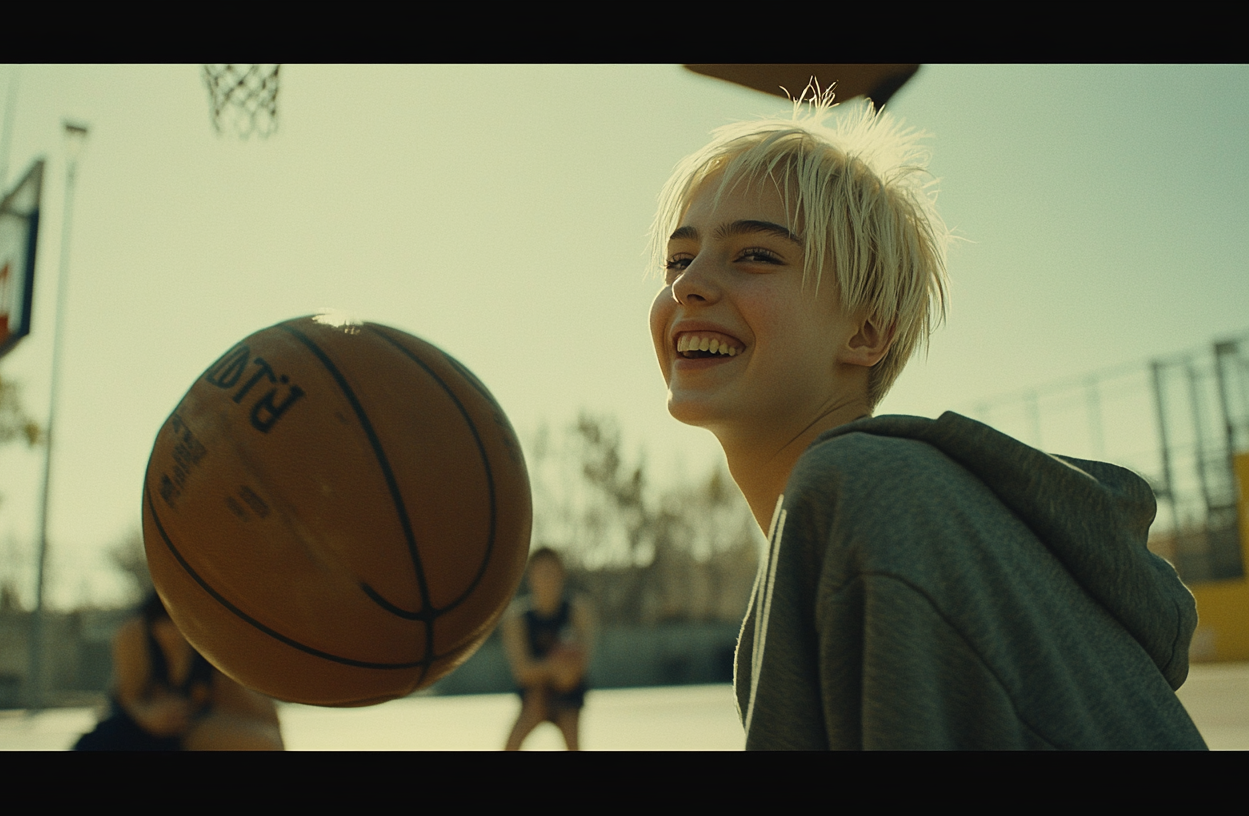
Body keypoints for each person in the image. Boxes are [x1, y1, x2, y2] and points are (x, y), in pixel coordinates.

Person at [648, 85, 1206, 749]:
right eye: (679, 259)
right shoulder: (908, 516)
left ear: (866, 331)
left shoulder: (864, 490)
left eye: (756, 255)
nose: (688, 284)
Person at [75, 591, 284, 750]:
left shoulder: (215, 638)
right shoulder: (134, 633)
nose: (173, 639)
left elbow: (264, 721)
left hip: (190, 727)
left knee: (263, 742)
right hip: (136, 727)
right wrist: (149, 716)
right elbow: (128, 699)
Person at [502, 547, 596, 750]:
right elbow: (522, 671)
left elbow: (574, 673)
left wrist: (544, 670)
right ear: (530, 577)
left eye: (552, 573)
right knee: (510, 745)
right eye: (542, 573)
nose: (547, 580)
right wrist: (555, 667)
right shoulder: (517, 618)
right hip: (533, 698)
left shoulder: (578, 610)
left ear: (562, 575)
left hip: (568, 697)